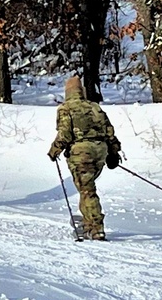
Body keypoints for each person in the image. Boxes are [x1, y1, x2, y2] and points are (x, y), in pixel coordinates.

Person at [47, 75, 122, 240]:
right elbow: (109, 132)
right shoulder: (95, 107)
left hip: (81, 153)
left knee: (87, 190)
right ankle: (88, 220)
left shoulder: (66, 108)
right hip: (100, 151)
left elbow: (65, 134)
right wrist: (114, 152)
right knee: (86, 187)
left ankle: (96, 227)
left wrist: (54, 151)